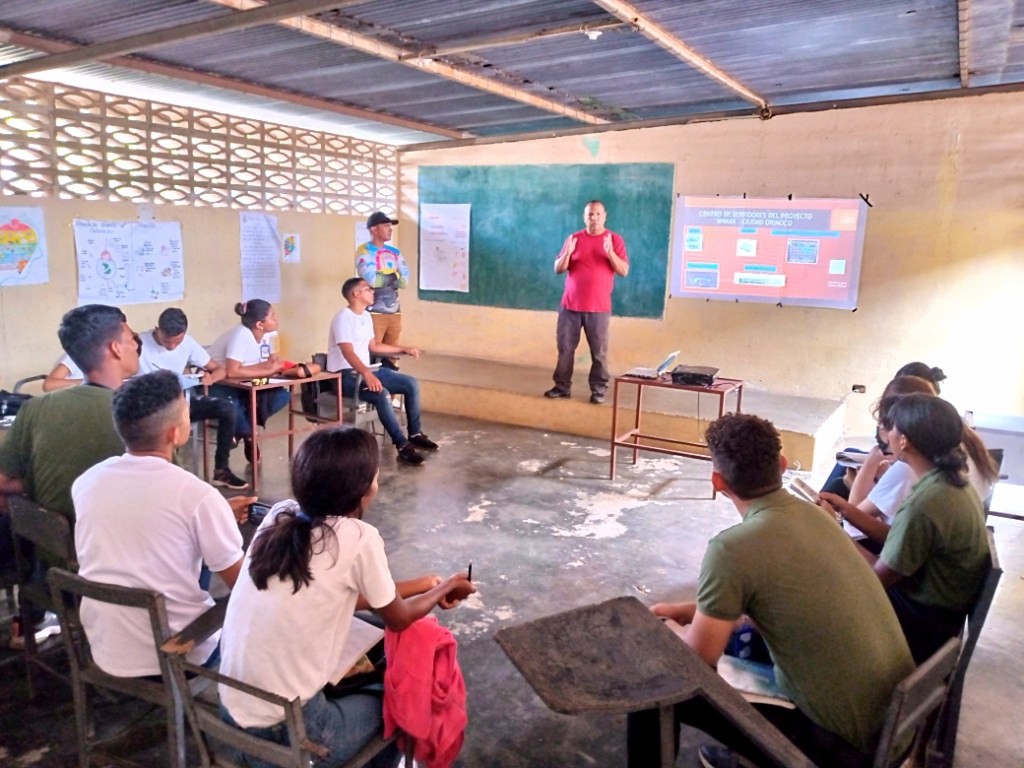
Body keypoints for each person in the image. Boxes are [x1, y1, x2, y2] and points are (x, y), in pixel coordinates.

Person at [628, 413, 913, 768]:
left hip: (838, 749)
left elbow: (697, 660)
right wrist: (691, 610)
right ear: (780, 464)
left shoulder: (731, 549)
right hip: (893, 730)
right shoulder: (817, 517)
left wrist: (666, 629)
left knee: (654, 678)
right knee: (743, 640)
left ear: (718, 482)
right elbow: (771, 599)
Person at [218, 427, 474, 767]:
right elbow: (397, 617)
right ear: (364, 490)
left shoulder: (280, 516)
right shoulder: (358, 537)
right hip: (293, 735)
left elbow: (335, 595)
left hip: (229, 721)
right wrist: (446, 587)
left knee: (370, 658)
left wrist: (425, 586)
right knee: (406, 695)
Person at [72, 371, 249, 676]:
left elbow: (145, 520)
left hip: (106, 646)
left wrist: (217, 512)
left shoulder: (88, 481)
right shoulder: (196, 496)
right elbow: (245, 588)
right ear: (174, 433)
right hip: (176, 650)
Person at [0, 305, 139, 648]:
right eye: (130, 336)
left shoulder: (35, 408)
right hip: (118, 573)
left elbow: (3, 483)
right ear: (115, 348)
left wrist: (40, 480)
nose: (137, 342)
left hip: (52, 567)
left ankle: (34, 616)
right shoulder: (139, 417)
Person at [857, 393, 991, 664]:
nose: (888, 434)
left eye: (891, 428)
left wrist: (832, 533)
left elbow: (874, 582)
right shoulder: (952, 483)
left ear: (904, 440)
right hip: (940, 614)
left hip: (918, 623)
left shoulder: (925, 503)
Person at [328, 277, 438, 466]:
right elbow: (348, 352)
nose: (373, 291)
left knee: (410, 383)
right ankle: (402, 445)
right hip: (345, 376)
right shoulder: (342, 318)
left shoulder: (365, 316)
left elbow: (374, 346)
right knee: (381, 394)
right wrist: (367, 374)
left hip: (366, 371)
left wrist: (404, 348)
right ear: (356, 294)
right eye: (368, 289)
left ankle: (415, 433)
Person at [138, 307, 247, 490]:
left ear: (184, 334)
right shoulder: (139, 343)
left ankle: (221, 470)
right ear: (157, 329)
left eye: (177, 342)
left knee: (226, 408)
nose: (172, 346)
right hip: (148, 405)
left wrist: (210, 378)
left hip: (180, 402)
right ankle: (165, 474)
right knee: (168, 422)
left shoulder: (188, 343)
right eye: (167, 341)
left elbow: (219, 369)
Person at [544, 200, 629, 405]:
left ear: (605, 216)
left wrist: (610, 253)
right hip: (570, 306)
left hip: (598, 308)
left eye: (598, 214)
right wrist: (567, 253)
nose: (594, 218)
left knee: (599, 352)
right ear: (585, 217)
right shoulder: (573, 238)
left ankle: (598, 390)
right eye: (590, 214)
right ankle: (562, 387)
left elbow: (624, 271)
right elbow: (558, 268)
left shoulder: (614, 240)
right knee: (565, 349)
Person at [207, 300, 307, 463]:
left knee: (282, 395)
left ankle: (242, 431)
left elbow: (270, 358)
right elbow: (232, 371)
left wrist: (272, 364)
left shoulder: (271, 333)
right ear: (260, 324)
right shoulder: (241, 335)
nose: (277, 318)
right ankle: (250, 434)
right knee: (233, 404)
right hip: (222, 383)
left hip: (249, 381)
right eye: (272, 316)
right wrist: (267, 370)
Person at [355, 211, 409, 370]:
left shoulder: (395, 252)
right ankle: (371, 388)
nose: (390, 229)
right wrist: (394, 275)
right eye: (386, 226)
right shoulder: (363, 251)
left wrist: (384, 276)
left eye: (390, 226)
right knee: (372, 352)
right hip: (374, 311)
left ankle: (390, 390)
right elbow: (372, 280)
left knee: (392, 356)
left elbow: (405, 281)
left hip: (394, 312)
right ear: (374, 229)